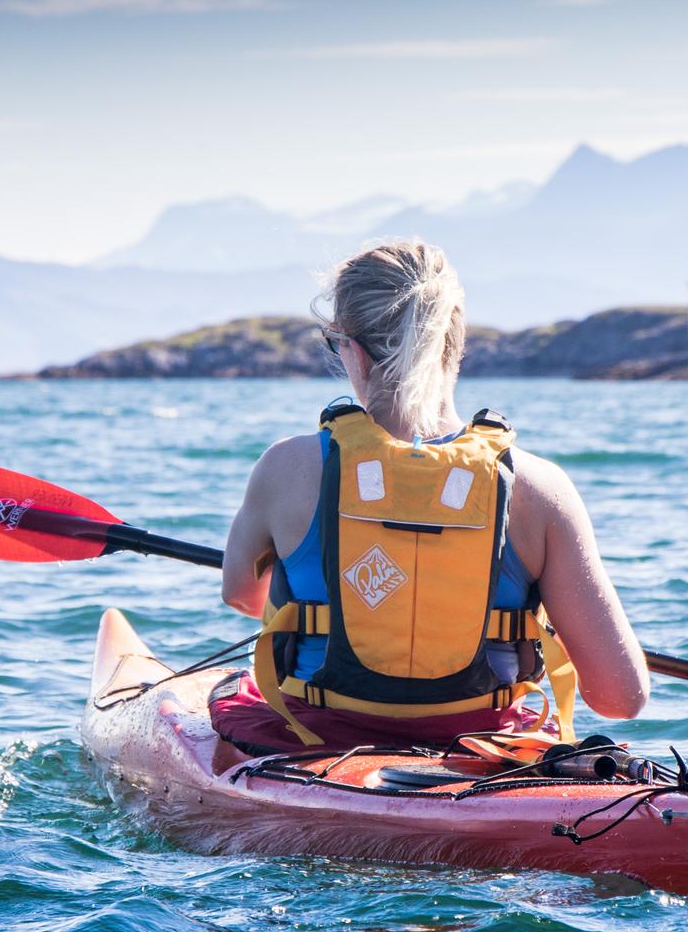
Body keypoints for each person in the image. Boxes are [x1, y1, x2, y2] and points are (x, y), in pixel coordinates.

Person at [213, 239, 647, 753]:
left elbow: (243, 596)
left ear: (350, 348)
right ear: (455, 341)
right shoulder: (539, 487)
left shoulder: (285, 468)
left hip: (316, 741)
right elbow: (621, 698)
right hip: (482, 747)